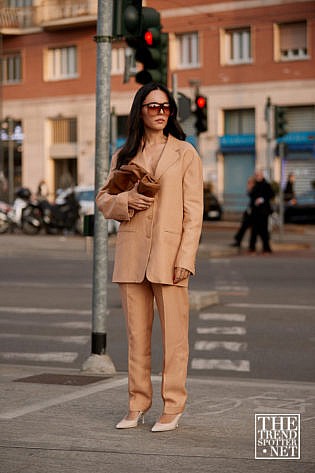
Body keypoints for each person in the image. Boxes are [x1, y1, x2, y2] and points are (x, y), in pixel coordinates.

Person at [96, 82, 203, 432]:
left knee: (174, 338)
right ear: (140, 110)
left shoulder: (185, 152)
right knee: (136, 338)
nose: (161, 112)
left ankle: (173, 406)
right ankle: (137, 403)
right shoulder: (123, 156)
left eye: (166, 107)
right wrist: (127, 201)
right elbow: (103, 200)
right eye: (153, 106)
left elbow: (194, 212)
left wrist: (186, 256)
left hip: (170, 256)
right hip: (131, 254)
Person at [249, 170, 274, 254]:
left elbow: (271, 194)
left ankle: (266, 247)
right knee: (254, 231)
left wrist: (262, 199)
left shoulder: (266, 185)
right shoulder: (254, 185)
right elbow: (251, 195)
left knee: (264, 231)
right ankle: (252, 247)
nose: (257, 177)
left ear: (262, 176)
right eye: (256, 175)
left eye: (259, 175)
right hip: (255, 212)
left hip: (264, 212)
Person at [231, 176, 255, 248]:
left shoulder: (255, 189)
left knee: (255, 230)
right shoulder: (252, 189)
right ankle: (238, 240)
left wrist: (250, 188)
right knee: (244, 227)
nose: (248, 184)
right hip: (250, 212)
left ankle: (241, 241)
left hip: (253, 213)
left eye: (249, 183)